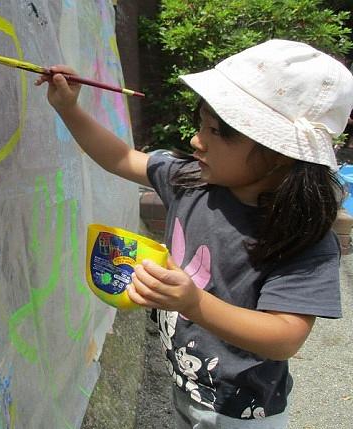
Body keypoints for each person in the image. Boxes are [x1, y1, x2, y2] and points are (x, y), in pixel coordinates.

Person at [35, 39, 353, 428]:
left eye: (215, 131)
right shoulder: (191, 178)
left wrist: (193, 303)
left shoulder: (302, 235)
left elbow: (285, 336)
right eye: (200, 124)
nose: (195, 140)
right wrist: (68, 109)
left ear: (279, 152)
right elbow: (120, 157)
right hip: (185, 382)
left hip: (242, 412)